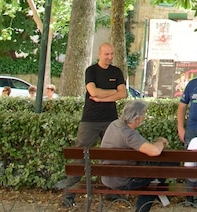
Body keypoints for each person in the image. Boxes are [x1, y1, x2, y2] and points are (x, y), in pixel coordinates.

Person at [57, 42, 128, 207]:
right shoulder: (91, 71)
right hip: (89, 121)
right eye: (106, 54)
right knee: (80, 156)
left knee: (111, 157)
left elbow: (123, 94)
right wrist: (112, 92)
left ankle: (113, 192)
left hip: (110, 120)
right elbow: (93, 92)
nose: (110, 57)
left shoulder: (116, 72)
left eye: (111, 54)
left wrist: (104, 95)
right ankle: (69, 195)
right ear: (99, 54)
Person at [100, 100, 170, 212]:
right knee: (157, 177)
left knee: (153, 176)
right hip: (123, 181)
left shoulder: (115, 124)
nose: (144, 118)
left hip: (107, 178)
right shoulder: (128, 134)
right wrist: (161, 141)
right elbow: (155, 151)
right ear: (137, 118)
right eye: (143, 115)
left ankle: (156, 191)